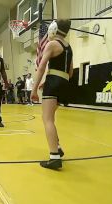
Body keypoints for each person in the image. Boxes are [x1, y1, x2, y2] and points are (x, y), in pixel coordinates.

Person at [31, 19, 72, 170]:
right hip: (65, 83)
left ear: (54, 28)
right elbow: (71, 72)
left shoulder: (52, 44)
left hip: (53, 82)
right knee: (51, 118)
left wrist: (34, 89)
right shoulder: (69, 47)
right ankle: (58, 147)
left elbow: (41, 67)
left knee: (47, 119)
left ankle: (54, 157)